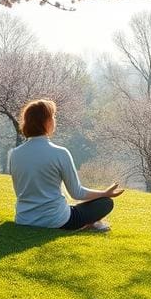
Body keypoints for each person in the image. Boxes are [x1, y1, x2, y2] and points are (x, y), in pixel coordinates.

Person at [8, 99, 124, 232]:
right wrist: (105, 193)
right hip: (56, 221)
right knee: (105, 203)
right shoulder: (60, 153)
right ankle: (89, 225)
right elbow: (77, 192)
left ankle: (90, 224)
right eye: (53, 116)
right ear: (47, 122)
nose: (54, 120)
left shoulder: (15, 154)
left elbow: (21, 192)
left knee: (73, 207)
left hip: (24, 219)